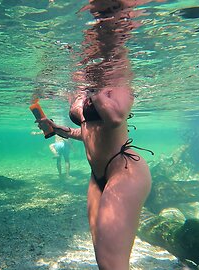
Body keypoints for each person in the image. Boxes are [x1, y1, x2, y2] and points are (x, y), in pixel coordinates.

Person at [35, 1, 153, 269]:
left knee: (112, 262)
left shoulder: (117, 84)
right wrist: (55, 128)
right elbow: (85, 131)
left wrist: (95, 91)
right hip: (97, 174)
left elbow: (114, 118)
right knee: (102, 256)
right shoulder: (87, 86)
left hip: (124, 171)